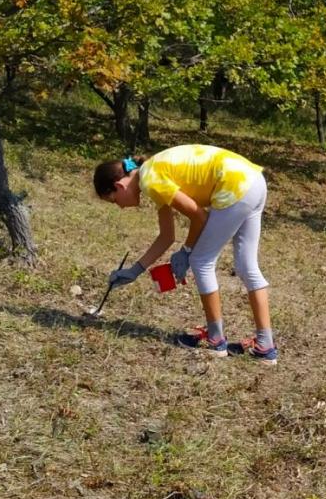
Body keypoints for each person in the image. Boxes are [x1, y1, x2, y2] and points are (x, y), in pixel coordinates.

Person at [93, 145, 276, 364]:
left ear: (119, 186)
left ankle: (215, 340)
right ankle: (265, 346)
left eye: (114, 201)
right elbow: (167, 236)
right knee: (247, 266)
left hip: (235, 187)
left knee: (201, 262)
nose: (120, 207)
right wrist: (134, 271)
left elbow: (199, 216)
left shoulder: (151, 181)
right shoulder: (150, 174)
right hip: (254, 181)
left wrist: (188, 251)